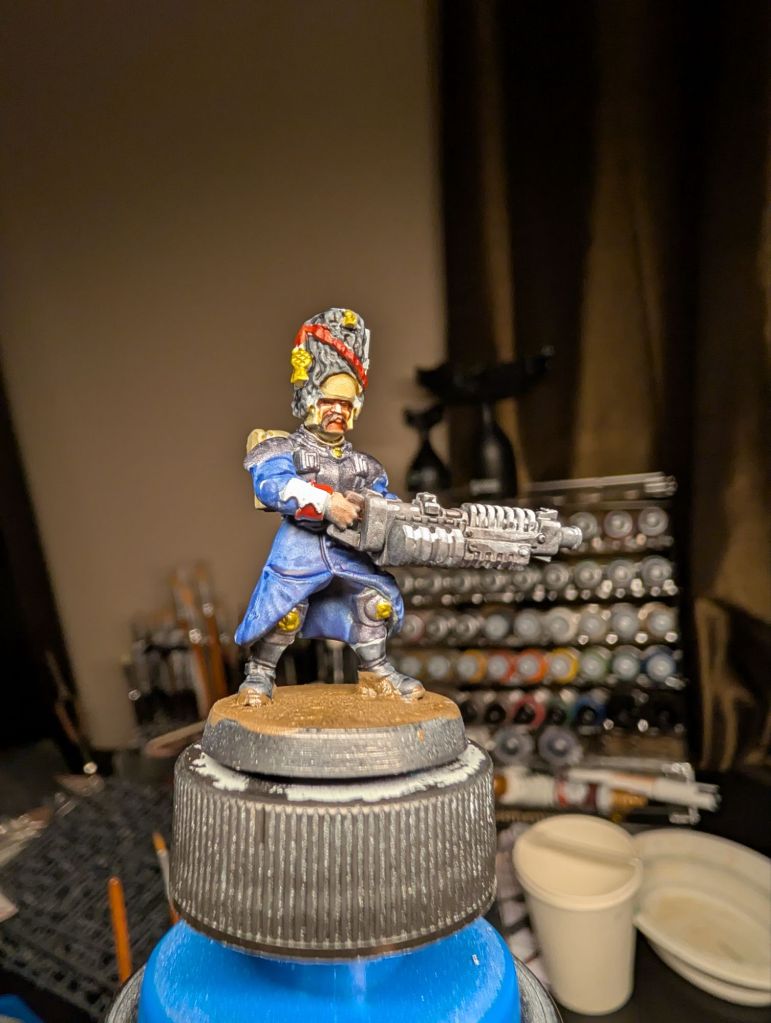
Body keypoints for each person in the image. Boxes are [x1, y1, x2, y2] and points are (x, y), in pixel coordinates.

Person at [235, 307, 424, 705]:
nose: (337, 410)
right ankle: (261, 672)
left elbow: (385, 503)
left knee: (375, 605)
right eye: (328, 401)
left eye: (345, 403)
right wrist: (325, 502)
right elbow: (273, 486)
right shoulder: (281, 447)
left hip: (350, 552)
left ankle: (376, 671)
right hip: (300, 551)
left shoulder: (364, 465)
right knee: (285, 611)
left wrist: (389, 514)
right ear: (309, 400)